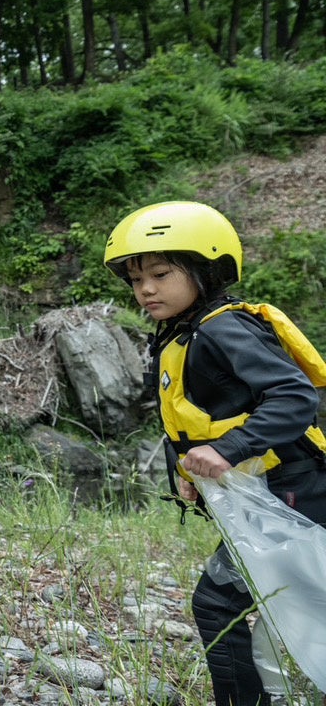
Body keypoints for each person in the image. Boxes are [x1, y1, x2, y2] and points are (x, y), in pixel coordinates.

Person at [104, 200, 326, 706]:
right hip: (273, 492)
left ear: (206, 270)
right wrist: (197, 473)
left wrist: (227, 451)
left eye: (161, 274)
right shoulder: (184, 334)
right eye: (137, 279)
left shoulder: (223, 327)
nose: (146, 289)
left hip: (299, 489)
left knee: (218, 601)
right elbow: (199, 422)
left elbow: (294, 398)